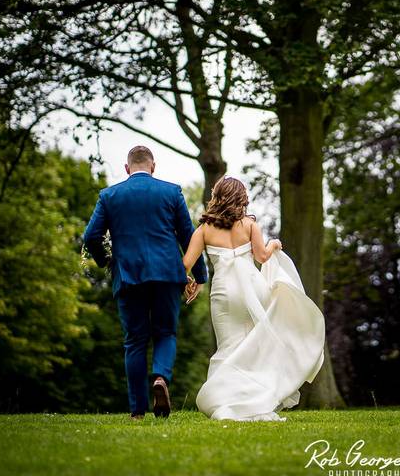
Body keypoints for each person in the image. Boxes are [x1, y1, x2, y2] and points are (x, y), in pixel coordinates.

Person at [183, 176, 325, 421]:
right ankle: (255, 398)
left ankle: (226, 401)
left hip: (224, 294)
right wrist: (274, 244)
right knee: (254, 347)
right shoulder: (249, 225)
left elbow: (185, 264)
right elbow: (262, 257)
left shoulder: (204, 229)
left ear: (216, 197)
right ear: (241, 198)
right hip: (253, 290)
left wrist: (189, 283)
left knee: (228, 346)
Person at [83, 146, 208, 420]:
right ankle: (161, 378)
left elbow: (90, 236)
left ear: (127, 168)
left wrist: (106, 261)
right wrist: (200, 276)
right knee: (165, 333)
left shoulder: (109, 196)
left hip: (128, 276)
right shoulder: (171, 191)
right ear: (153, 166)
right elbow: (189, 236)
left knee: (135, 342)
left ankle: (138, 411)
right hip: (166, 274)